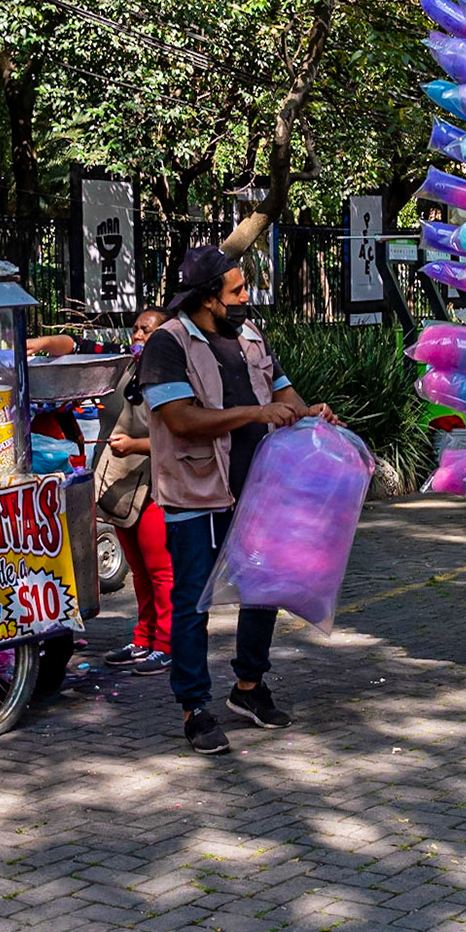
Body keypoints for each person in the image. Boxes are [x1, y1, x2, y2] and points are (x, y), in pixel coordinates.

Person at [138, 245, 337, 755]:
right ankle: (195, 708)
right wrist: (255, 414)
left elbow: (284, 396)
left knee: (263, 589)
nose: (247, 298)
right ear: (207, 299)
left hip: (258, 490)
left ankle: (249, 688)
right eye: (237, 291)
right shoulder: (168, 343)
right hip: (198, 493)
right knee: (193, 603)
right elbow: (180, 419)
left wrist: (311, 413)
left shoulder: (250, 336)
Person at [92, 309, 173, 674]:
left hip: (154, 485)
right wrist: (34, 345)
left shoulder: (172, 377)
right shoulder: (123, 367)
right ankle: (143, 638)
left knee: (161, 571)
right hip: (120, 486)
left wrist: (136, 446)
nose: (138, 334)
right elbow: (76, 346)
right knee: (138, 571)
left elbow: (178, 435)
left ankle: (168, 644)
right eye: (136, 328)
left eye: (147, 329)